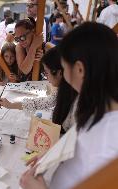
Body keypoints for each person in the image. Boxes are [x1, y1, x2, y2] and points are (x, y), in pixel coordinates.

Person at [20, 22, 118, 189]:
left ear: (79, 70)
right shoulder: (99, 107)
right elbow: (79, 137)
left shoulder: (109, 145)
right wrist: (52, 154)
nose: (63, 74)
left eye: (64, 67)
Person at [0, 47, 77, 133]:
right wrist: (10, 105)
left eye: (46, 73)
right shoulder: (63, 91)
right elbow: (38, 103)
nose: (47, 79)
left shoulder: (76, 103)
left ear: (59, 73)